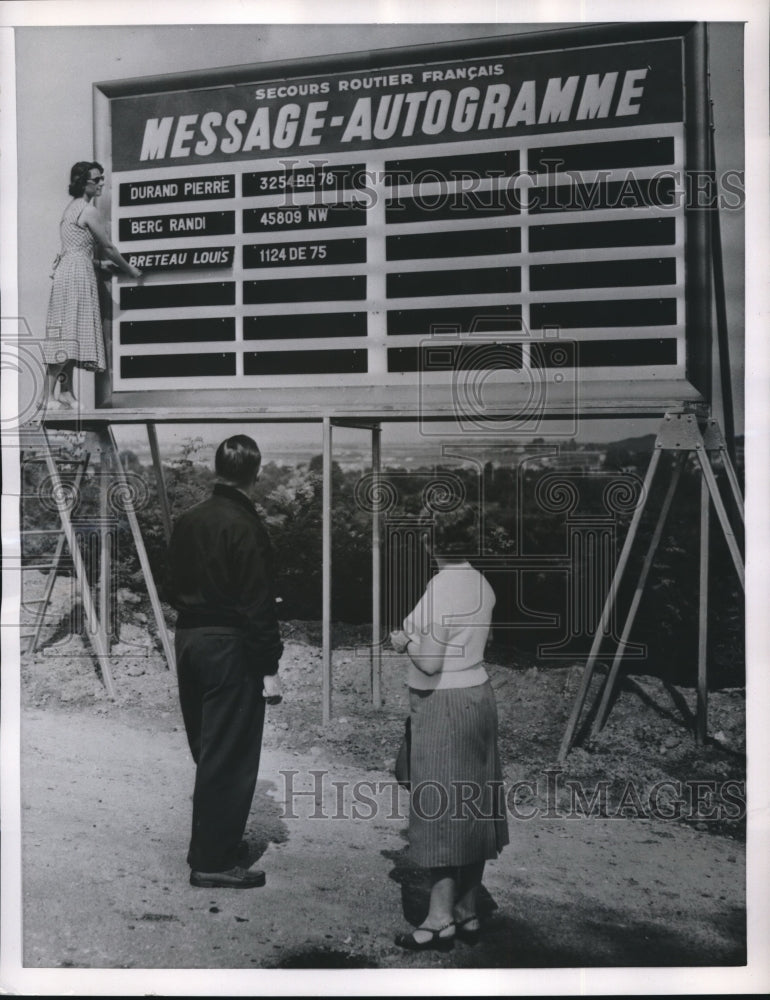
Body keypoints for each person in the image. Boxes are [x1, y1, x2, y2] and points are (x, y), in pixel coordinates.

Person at [390, 504, 509, 950]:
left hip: (443, 702)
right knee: (474, 802)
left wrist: (403, 641)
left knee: (439, 806)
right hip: (479, 695)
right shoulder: (480, 582)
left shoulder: (441, 589)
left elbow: (429, 660)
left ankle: (439, 918)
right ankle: (467, 907)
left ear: (429, 542)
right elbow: (483, 640)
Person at [167, 435, 284, 889]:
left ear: (217, 469)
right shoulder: (246, 526)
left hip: (189, 639)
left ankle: (215, 843)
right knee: (229, 755)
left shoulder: (189, 520)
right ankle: (213, 861)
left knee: (207, 747)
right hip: (228, 644)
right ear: (256, 474)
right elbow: (258, 604)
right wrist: (269, 667)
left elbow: (171, 579)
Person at [43, 161, 142, 409]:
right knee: (67, 337)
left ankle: (66, 391)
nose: (101, 183)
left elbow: (79, 249)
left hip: (72, 272)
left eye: (101, 179)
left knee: (72, 334)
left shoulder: (72, 208)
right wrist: (129, 268)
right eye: (96, 180)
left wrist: (98, 265)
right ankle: (46, 397)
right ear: (83, 183)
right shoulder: (88, 211)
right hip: (76, 275)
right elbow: (108, 247)